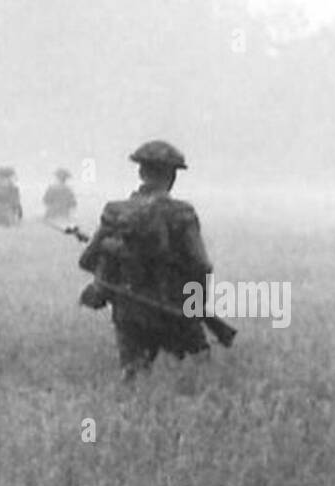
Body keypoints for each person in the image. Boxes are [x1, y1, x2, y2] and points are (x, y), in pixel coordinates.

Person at [78, 140, 233, 380]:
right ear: (172, 177)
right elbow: (202, 265)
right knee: (201, 376)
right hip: (175, 309)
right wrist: (196, 308)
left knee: (133, 376)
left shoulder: (115, 211)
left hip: (129, 310)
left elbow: (87, 261)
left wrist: (111, 255)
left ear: (141, 172)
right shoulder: (183, 213)